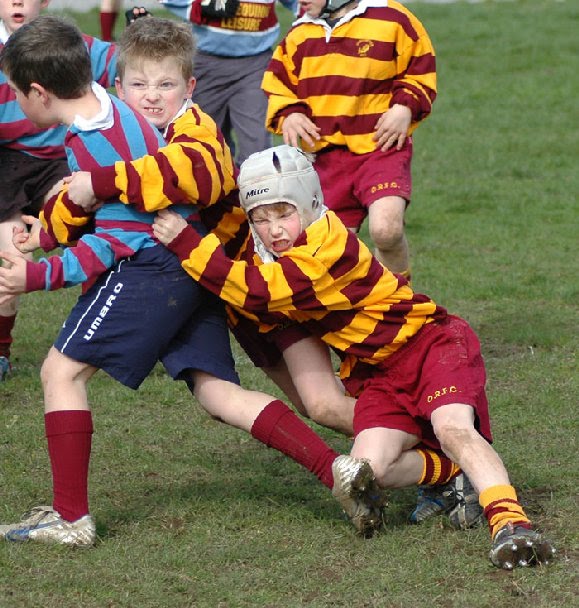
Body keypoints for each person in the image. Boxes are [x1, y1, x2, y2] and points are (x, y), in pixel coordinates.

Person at [0, 16, 384, 546]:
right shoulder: (115, 121)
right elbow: (92, 197)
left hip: (194, 270)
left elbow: (154, 203)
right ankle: (337, 470)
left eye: (165, 85)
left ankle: (71, 519)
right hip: (199, 266)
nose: (151, 96)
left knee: (60, 373)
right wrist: (48, 230)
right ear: (113, 82)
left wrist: (41, 271)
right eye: (140, 83)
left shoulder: (177, 129)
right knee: (218, 393)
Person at [151, 145, 557, 570]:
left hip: (428, 344)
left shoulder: (324, 248)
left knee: (452, 428)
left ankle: (511, 524)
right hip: (377, 373)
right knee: (368, 472)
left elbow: (255, 291)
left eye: (283, 213)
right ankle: (453, 475)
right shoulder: (279, 252)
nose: (273, 230)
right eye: (260, 218)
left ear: (310, 203)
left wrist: (186, 243)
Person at [262, 0, 437, 279]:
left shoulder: (392, 19)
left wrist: (404, 108)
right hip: (326, 160)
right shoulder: (299, 34)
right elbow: (279, 85)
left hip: (382, 147)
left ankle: (398, 303)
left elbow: (420, 69)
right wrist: (290, 114)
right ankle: (354, 313)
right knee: (334, 253)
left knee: (387, 230)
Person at [0, 0, 118, 381]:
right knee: (13, 251)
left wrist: (145, 72)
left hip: (58, 163)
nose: (17, 1)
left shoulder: (71, 44)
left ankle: (103, 331)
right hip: (5, 165)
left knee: (94, 226)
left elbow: (129, 64)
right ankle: (1, 350)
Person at [159, 0, 298, 165]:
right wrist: (201, 6)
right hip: (206, 63)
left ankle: (255, 188)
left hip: (256, 63)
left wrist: (317, 15)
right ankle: (220, 185)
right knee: (204, 142)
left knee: (258, 146)